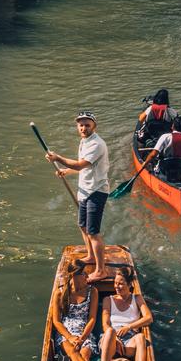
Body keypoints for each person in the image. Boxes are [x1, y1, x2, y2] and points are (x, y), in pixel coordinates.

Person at [46, 112, 112, 282]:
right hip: (85, 190)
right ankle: (90, 256)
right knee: (82, 226)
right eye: (80, 125)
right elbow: (83, 167)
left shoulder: (97, 144)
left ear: (94, 126)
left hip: (96, 191)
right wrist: (67, 171)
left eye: (87, 125)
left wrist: (58, 158)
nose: (83, 128)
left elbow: (81, 163)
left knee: (93, 232)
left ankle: (101, 270)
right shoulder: (84, 141)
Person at [49, 259, 99, 361]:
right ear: (74, 275)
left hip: (84, 331)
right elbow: (56, 321)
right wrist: (70, 337)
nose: (87, 276)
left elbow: (92, 318)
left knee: (84, 355)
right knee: (73, 352)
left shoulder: (92, 291)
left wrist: (82, 339)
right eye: (84, 274)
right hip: (65, 333)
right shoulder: (60, 293)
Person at [99, 265, 154, 361]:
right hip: (111, 339)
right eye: (115, 283)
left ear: (129, 284)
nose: (116, 286)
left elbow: (149, 318)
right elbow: (105, 324)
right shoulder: (108, 300)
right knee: (110, 331)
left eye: (121, 283)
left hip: (130, 340)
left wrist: (129, 327)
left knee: (140, 337)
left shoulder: (137, 298)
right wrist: (115, 338)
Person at [138, 115, 181, 184]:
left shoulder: (165, 137)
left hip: (165, 168)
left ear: (172, 126)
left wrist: (144, 164)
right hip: (180, 169)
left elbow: (153, 155)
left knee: (151, 160)